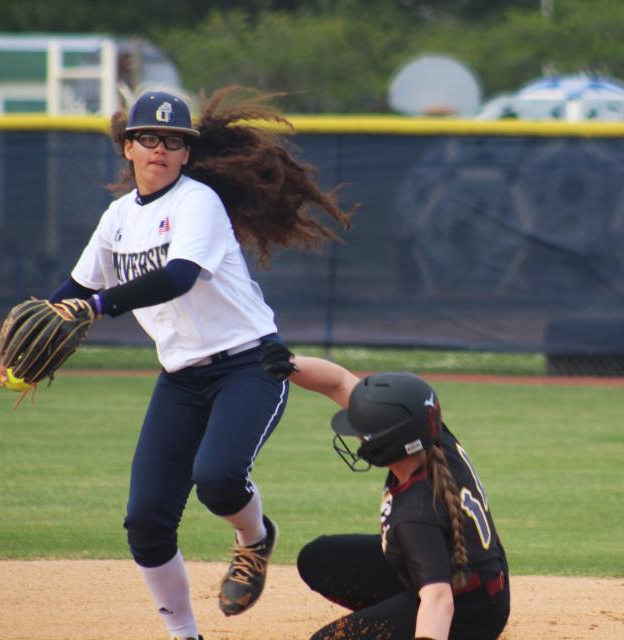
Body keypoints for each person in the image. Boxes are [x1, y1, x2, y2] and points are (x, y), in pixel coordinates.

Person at [29, 87, 354, 640]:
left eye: (174, 141)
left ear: (186, 154)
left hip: (249, 365)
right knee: (146, 522)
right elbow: (79, 286)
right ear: (128, 147)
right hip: (180, 378)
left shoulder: (196, 201)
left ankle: (253, 540)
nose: (160, 148)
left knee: (219, 481)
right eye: (149, 138)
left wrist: (98, 306)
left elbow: (178, 275)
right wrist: (43, 317)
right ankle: (185, 635)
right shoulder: (117, 218)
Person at [272, 365, 510, 640]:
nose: (358, 437)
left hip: (469, 612)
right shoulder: (430, 436)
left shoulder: (414, 513)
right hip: (466, 572)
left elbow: (438, 599)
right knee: (318, 559)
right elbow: (338, 383)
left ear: (387, 444)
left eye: (362, 432)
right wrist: (286, 363)